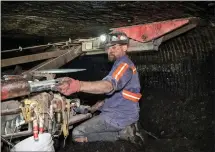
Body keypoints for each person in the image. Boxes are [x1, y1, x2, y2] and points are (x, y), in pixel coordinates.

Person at [55, 32, 143, 145]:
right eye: (108, 48)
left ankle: (123, 134)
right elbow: (119, 94)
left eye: (114, 47)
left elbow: (109, 86)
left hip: (119, 116)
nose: (110, 50)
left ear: (125, 47)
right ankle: (125, 132)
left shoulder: (124, 66)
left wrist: (78, 85)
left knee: (77, 134)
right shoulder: (120, 64)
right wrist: (94, 107)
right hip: (123, 113)